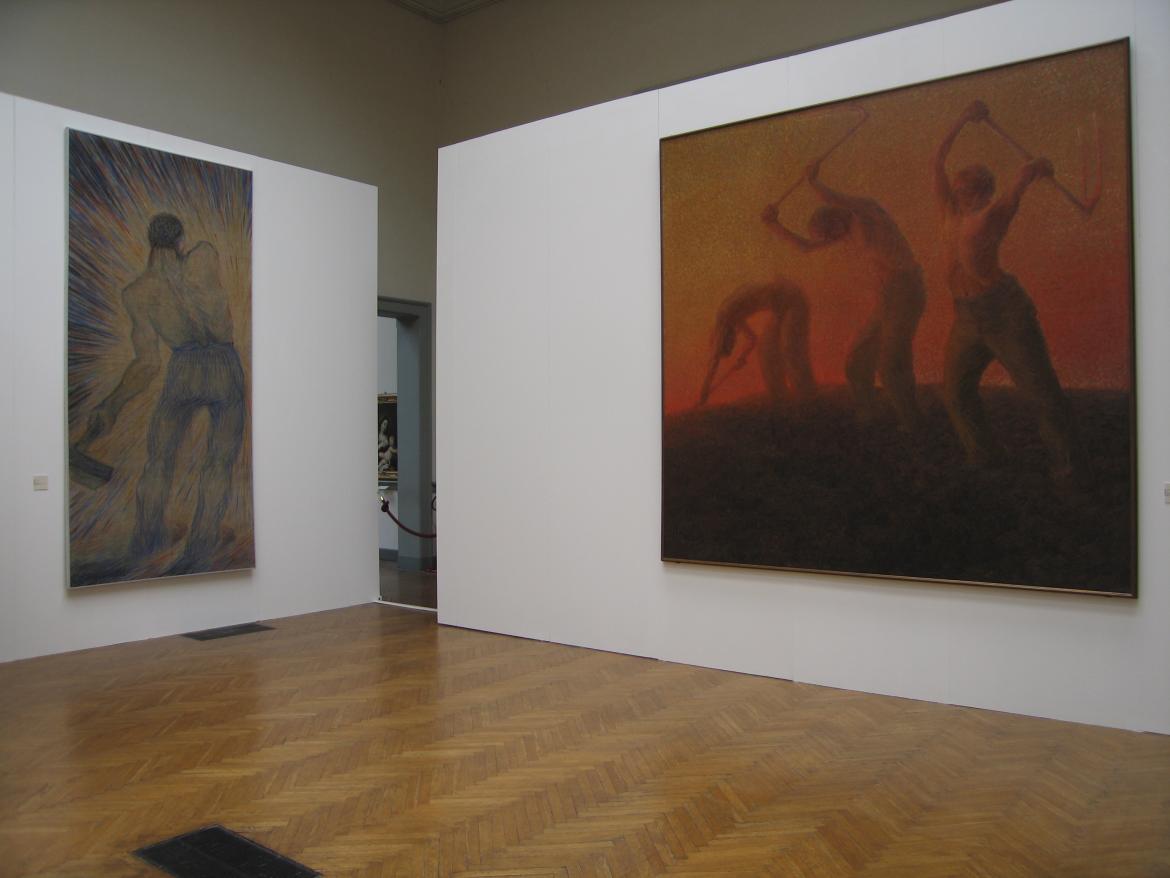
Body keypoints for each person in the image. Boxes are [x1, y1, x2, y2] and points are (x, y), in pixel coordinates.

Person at [85, 213, 246, 575]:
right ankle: (201, 547)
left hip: (183, 366)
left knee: (158, 460)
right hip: (224, 365)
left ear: (150, 241)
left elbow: (146, 364)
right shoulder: (204, 257)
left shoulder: (137, 294)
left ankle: (147, 541)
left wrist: (111, 405)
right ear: (181, 240)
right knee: (219, 463)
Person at [935, 100, 1082, 480]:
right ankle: (984, 455)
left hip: (1004, 312)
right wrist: (962, 118)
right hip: (966, 316)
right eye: (959, 188)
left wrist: (1036, 168)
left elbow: (1022, 179)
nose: (961, 193)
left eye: (969, 189)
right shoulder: (949, 212)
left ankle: (1067, 464)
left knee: (1040, 390)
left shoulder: (992, 215)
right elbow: (937, 160)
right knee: (955, 392)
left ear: (984, 192)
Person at [760, 159, 926, 430]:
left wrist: (814, 182)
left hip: (907, 291)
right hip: (886, 297)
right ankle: (871, 415)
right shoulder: (846, 232)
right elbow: (806, 247)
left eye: (828, 235)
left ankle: (913, 424)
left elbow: (837, 199)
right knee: (857, 363)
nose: (829, 241)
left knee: (891, 365)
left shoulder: (868, 213)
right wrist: (773, 225)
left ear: (836, 220)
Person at [698, 279, 814, 409]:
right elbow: (752, 339)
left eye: (729, 345)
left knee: (790, 350)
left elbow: (714, 359)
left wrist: (705, 391)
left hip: (792, 299)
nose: (733, 343)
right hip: (780, 309)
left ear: (722, 337)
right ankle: (783, 402)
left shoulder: (724, 316)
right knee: (766, 352)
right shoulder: (733, 317)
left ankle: (807, 400)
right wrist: (742, 357)